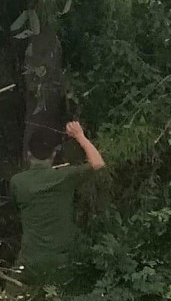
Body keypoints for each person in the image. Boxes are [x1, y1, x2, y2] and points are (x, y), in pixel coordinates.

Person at [11, 121, 105, 287]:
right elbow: (97, 163)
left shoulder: (18, 182)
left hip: (29, 261)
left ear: (28, 153)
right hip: (61, 262)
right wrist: (80, 136)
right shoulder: (65, 177)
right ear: (54, 154)